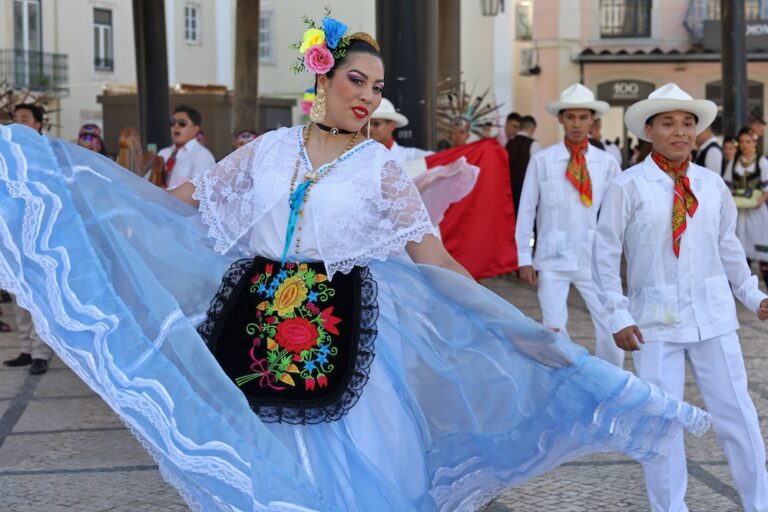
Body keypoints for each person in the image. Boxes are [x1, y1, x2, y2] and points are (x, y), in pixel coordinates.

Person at [0, 18, 710, 511]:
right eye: (358, 80)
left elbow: (432, 258)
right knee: (260, 450)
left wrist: (519, 329)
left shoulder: (381, 169)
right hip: (254, 319)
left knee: (365, 462)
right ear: (323, 78)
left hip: (348, 331)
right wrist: (78, 199)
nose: (368, 95)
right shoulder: (269, 151)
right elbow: (181, 204)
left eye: (376, 85)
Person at [593, 83, 768, 512]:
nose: (680, 132)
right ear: (648, 130)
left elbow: (729, 249)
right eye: (668, 123)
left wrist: (753, 295)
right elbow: (603, 253)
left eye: (688, 123)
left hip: (714, 318)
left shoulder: (711, 186)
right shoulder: (628, 186)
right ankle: (670, 509)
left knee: (738, 415)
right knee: (662, 421)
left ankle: (759, 503)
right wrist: (616, 314)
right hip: (652, 322)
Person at [515, 83, 624, 368]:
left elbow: (620, 213)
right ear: (560, 118)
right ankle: (567, 376)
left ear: (592, 120)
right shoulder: (543, 161)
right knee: (552, 328)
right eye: (571, 117)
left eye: (583, 117)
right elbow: (526, 210)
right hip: (552, 257)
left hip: (594, 259)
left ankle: (611, 377)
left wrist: (622, 250)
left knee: (612, 324)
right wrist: (524, 258)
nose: (577, 124)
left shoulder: (607, 163)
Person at [5, 103, 53, 373]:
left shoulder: (44, 153)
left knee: (37, 294)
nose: (17, 122)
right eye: (15, 118)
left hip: (37, 232)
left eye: (24, 118)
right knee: (17, 291)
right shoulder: (8, 152)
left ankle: (40, 352)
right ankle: (25, 348)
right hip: (12, 232)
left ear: (38, 124)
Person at [723, 127, 768, 289]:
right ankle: (746, 291)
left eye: (747, 141)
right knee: (740, 251)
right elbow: (726, 186)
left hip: (757, 212)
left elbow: (767, 189)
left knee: (763, 252)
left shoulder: (762, 162)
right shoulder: (734, 162)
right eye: (741, 142)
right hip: (739, 213)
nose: (744, 145)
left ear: (754, 143)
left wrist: (759, 201)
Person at [158, 105, 216, 190]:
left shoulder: (202, 155)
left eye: (182, 123)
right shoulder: (163, 153)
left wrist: (166, 193)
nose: (176, 126)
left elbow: (197, 191)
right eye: (173, 123)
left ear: (195, 129)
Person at [369, 98, 432, 163]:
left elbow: (438, 160)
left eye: (376, 124)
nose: (369, 128)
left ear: (392, 126)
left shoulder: (412, 157)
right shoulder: (361, 157)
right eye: (367, 125)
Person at [506, 115, 540, 210]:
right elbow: (537, 169)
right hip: (526, 188)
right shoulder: (533, 144)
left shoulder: (508, 144)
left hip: (509, 189)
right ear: (532, 128)